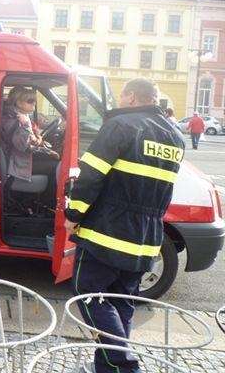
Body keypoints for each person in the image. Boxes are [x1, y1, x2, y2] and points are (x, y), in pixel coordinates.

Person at [64, 78, 185, 373]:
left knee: (87, 291)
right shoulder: (175, 136)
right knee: (121, 301)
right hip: (146, 237)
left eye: (121, 95)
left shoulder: (120, 126)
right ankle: (106, 368)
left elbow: (91, 176)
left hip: (107, 232)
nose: (119, 101)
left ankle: (124, 367)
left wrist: (73, 214)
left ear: (131, 97)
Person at [0, 86, 59, 192]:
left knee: (54, 159)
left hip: (20, 159)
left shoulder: (20, 116)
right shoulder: (16, 120)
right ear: (19, 103)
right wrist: (47, 151)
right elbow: (24, 147)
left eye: (34, 101)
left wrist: (38, 139)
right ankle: (51, 200)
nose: (34, 103)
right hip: (17, 165)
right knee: (57, 166)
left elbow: (28, 139)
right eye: (30, 101)